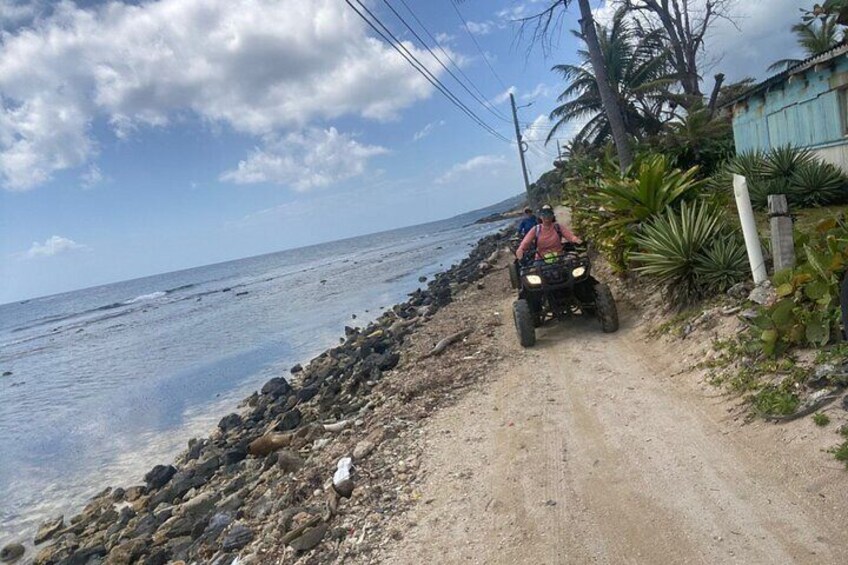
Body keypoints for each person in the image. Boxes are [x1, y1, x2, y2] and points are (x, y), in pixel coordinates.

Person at [516, 204, 581, 261]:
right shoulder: (536, 229)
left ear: (552, 215)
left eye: (549, 214)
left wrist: (576, 240)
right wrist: (520, 249)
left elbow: (569, 235)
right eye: (544, 214)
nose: (547, 217)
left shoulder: (557, 227)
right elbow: (526, 242)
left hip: (559, 257)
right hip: (541, 259)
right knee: (533, 272)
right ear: (540, 217)